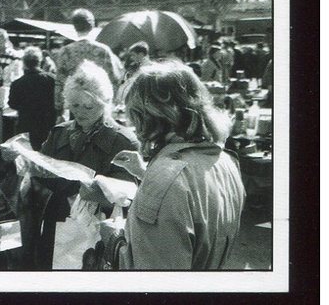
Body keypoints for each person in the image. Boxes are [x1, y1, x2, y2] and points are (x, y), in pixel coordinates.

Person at [100, 61, 245, 269]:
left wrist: (113, 242)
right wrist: (145, 172)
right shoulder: (225, 161)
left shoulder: (165, 179)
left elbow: (155, 278)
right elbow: (196, 210)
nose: (133, 126)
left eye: (135, 117)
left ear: (147, 117)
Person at [24, 61, 140, 269]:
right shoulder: (59, 133)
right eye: (75, 105)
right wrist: (22, 162)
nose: (80, 112)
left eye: (89, 106)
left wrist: (100, 192)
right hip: (57, 222)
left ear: (105, 103)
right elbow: (39, 173)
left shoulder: (123, 140)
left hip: (99, 227)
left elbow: (130, 194)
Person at [53, 8, 124, 118]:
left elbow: (59, 82)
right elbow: (115, 79)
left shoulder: (66, 52)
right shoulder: (103, 50)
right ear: (92, 25)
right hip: (99, 105)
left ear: (75, 26)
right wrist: (111, 104)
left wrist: (59, 109)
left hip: (76, 106)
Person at [8, 46, 57, 151]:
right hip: (48, 124)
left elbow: (12, 104)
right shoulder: (52, 80)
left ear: (24, 63)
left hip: (27, 124)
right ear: (40, 61)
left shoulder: (17, 83)